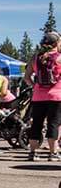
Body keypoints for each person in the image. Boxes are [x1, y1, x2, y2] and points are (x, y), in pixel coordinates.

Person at [24, 32, 61, 162]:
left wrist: (35, 86)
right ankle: (53, 153)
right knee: (53, 124)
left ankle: (32, 152)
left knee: (37, 124)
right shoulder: (59, 57)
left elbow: (27, 77)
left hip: (38, 96)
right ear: (56, 43)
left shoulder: (36, 58)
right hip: (56, 96)